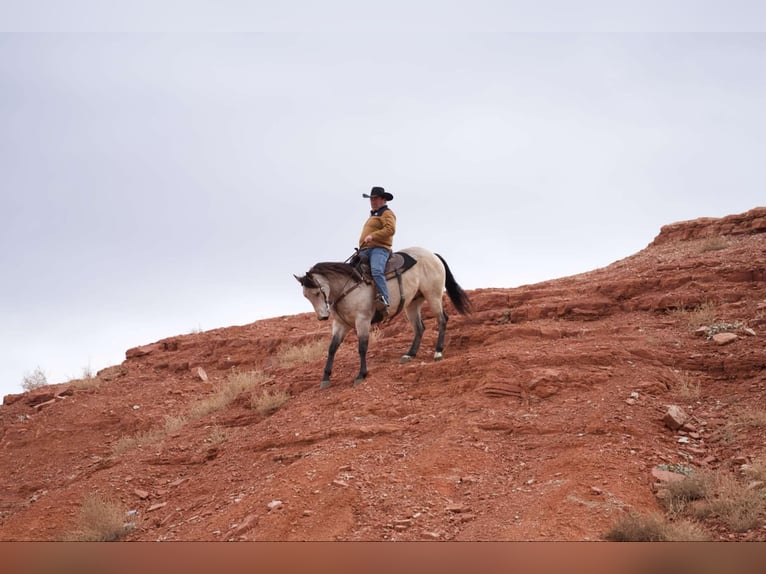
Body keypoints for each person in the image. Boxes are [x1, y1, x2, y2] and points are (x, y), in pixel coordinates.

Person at [358, 186, 396, 316]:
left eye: (375, 199)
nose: (372, 201)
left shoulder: (387, 213)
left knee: (376, 271)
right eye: (371, 199)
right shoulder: (373, 215)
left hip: (379, 249)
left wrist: (373, 236)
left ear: (383, 200)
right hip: (365, 249)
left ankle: (385, 299)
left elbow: (390, 229)